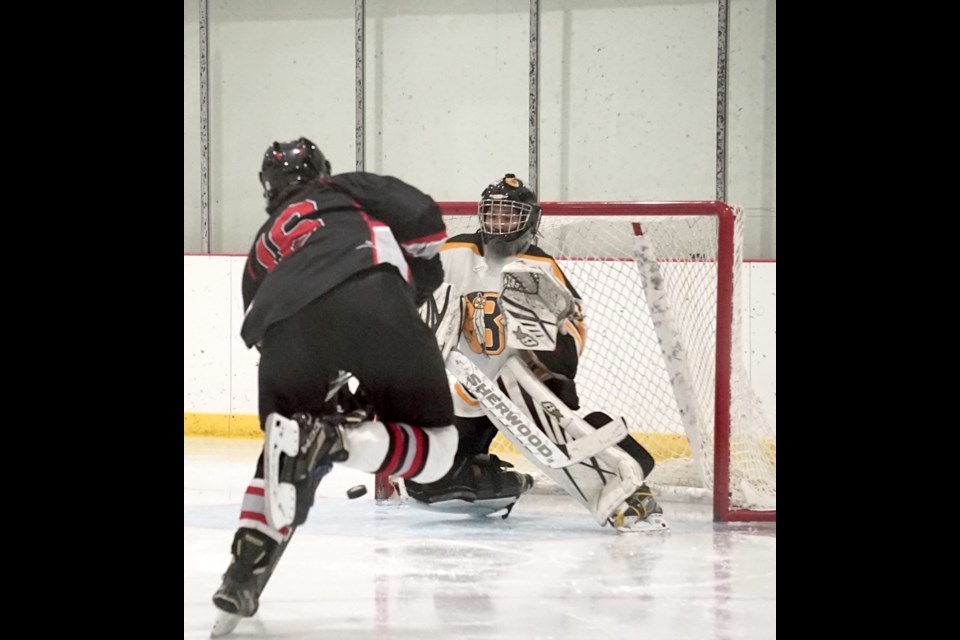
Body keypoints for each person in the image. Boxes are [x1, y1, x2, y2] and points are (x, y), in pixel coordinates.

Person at [211, 139, 525, 628]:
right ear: (320, 171)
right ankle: (334, 442)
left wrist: (330, 391)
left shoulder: (263, 240)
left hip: (283, 333)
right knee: (439, 450)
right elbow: (426, 218)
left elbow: (259, 312)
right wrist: (419, 277)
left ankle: (241, 576)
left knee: (286, 450)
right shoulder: (342, 189)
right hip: (370, 295)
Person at [404, 173, 665, 530]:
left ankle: (629, 470)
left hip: (530, 388)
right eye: (494, 213)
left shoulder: (542, 267)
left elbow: (569, 351)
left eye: (509, 215)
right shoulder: (454, 253)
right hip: (474, 386)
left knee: (582, 459)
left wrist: (552, 346)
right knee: (427, 478)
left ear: (530, 219)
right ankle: (505, 483)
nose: (499, 222)